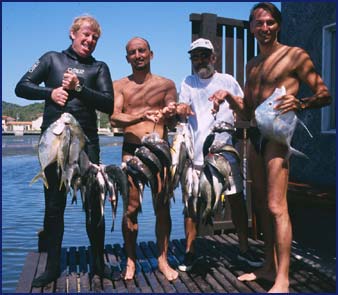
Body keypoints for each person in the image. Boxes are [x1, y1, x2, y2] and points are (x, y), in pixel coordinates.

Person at [209, 3, 332, 293]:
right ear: (251, 27)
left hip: (278, 138)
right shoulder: (252, 65)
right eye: (259, 23)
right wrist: (227, 95)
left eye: (270, 23)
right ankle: (267, 266)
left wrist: (301, 103)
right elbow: (248, 110)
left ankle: (283, 279)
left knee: (278, 206)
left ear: (278, 25)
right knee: (262, 206)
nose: (264, 29)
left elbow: (324, 94)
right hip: (254, 135)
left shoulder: (295, 55)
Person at [15, 15, 114, 287]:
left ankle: (98, 264)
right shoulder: (51, 59)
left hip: (88, 145)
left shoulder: (99, 68)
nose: (90, 40)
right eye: (85, 34)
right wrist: (51, 93)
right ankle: (52, 267)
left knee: (95, 206)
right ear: (72, 33)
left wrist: (78, 88)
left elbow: (108, 105)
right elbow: (21, 87)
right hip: (55, 143)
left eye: (95, 37)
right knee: (54, 207)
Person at [176, 38, 263, 272]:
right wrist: (181, 109)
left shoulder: (227, 80)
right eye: (195, 56)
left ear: (213, 58)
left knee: (236, 201)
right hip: (196, 157)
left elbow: (244, 109)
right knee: (192, 205)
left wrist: (228, 96)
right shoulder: (188, 82)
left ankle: (244, 250)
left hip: (225, 153)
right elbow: (182, 108)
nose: (200, 60)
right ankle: (190, 252)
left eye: (204, 55)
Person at [110, 37, 178, 281]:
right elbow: (115, 118)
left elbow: (172, 111)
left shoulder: (166, 84)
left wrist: (171, 111)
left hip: (159, 151)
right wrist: (140, 116)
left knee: (162, 207)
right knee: (131, 209)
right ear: (127, 58)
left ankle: (163, 259)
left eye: (142, 51)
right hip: (132, 150)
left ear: (151, 53)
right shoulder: (120, 85)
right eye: (132, 52)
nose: (138, 55)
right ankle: (130, 260)